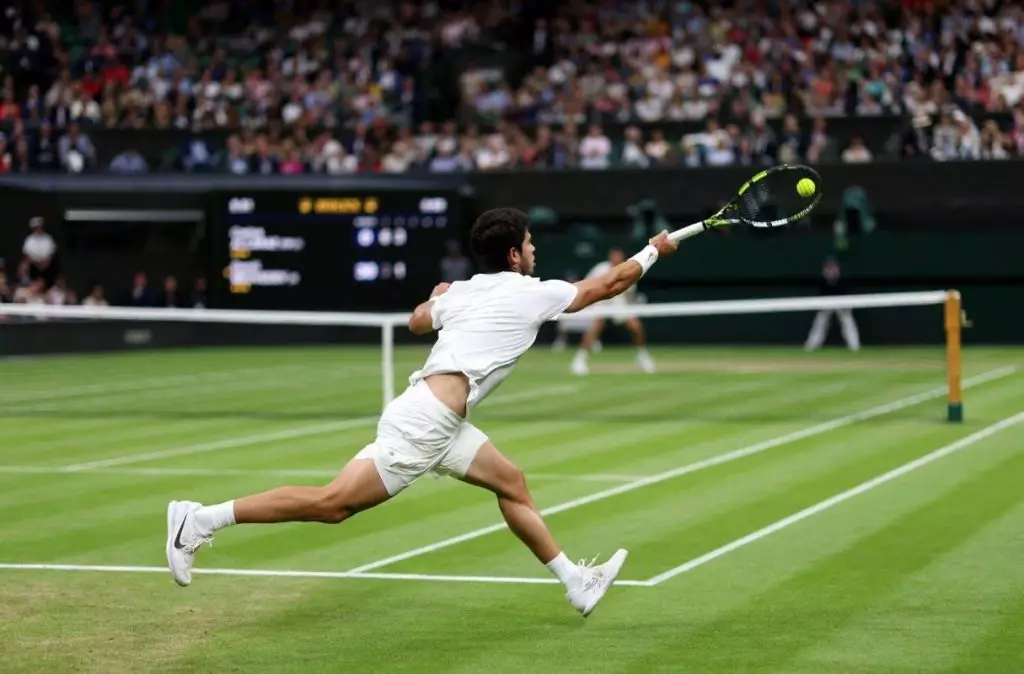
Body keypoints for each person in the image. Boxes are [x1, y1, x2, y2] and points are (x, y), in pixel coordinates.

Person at [166, 208, 678, 616]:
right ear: (514, 255)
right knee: (333, 504)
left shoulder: (462, 292)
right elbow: (607, 287)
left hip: (442, 419)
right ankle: (200, 519)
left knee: (511, 483)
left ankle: (575, 583)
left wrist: (437, 299)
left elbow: (416, 322)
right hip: (424, 422)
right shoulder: (531, 293)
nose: (534, 248)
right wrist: (652, 251)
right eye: (529, 242)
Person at [570, 248, 656, 375]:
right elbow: (587, 284)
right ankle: (579, 360)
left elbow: (628, 295)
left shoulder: (628, 268)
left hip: (619, 304)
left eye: (619, 256)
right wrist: (591, 303)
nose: (616, 258)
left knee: (635, 327)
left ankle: (642, 356)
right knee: (596, 326)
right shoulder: (600, 268)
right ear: (610, 257)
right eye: (614, 256)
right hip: (601, 302)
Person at [803, 255, 861, 352]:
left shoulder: (842, 276)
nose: (830, 266)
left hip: (842, 302)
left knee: (848, 322)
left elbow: (846, 290)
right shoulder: (823, 276)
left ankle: (855, 346)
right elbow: (821, 292)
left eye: (832, 264)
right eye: (828, 265)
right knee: (820, 323)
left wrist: (845, 304)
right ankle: (811, 346)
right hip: (826, 302)